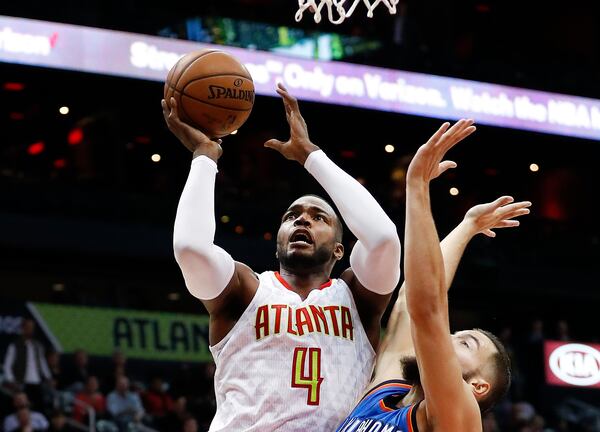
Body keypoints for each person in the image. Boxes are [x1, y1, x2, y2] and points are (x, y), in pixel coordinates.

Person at [162, 82, 401, 430]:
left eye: (319, 217)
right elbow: (190, 248)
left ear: (339, 249)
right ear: (278, 243)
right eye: (292, 216)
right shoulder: (245, 290)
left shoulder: (357, 298)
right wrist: (204, 155)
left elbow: (382, 239)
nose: (302, 218)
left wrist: (311, 156)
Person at [337, 119, 531, 431]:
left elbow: (427, 311)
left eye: (466, 343)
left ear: (477, 386)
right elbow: (408, 303)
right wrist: (466, 228)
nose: (448, 337)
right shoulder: (386, 393)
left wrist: (417, 186)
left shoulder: (457, 418)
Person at [3, 319, 52, 409]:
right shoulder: (15, 345)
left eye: (32, 328)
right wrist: (11, 380)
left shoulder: (38, 346)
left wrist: (48, 377)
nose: (30, 330)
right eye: (28, 327)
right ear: (23, 328)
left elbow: (43, 363)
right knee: (22, 407)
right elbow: (7, 365)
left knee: (39, 407)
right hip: (21, 382)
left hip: (36, 382)